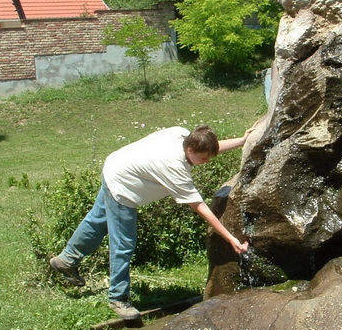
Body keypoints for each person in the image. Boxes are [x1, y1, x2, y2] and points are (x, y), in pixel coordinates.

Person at [50, 124, 251, 320]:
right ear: (190, 149)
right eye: (203, 158)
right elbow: (201, 208)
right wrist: (231, 238)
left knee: (97, 222)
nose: (207, 161)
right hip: (122, 188)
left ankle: (66, 260)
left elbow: (210, 148)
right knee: (124, 243)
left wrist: (242, 141)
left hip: (115, 165)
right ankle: (118, 298)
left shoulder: (181, 134)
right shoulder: (174, 166)